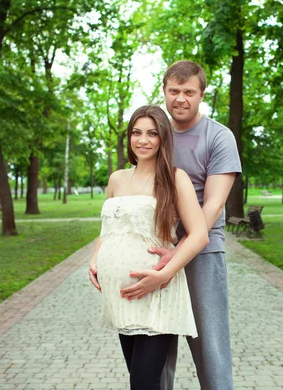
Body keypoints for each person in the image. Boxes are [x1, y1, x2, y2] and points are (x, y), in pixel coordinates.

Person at [120, 61, 242, 390]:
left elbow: (213, 205)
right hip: (153, 249)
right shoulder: (155, 133)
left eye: (189, 92)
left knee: (210, 346)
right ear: (164, 91)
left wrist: (176, 256)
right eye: (174, 91)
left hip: (202, 252)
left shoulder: (219, 137)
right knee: (155, 346)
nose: (181, 99)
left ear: (202, 94)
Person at [88, 105, 209, 390]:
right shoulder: (117, 179)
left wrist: (164, 275)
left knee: (143, 382)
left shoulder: (174, 178)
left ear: (163, 138)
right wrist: (95, 259)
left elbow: (199, 235)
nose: (143, 140)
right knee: (138, 380)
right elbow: (107, 230)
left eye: (152, 133)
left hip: (157, 292)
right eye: (136, 133)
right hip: (121, 297)